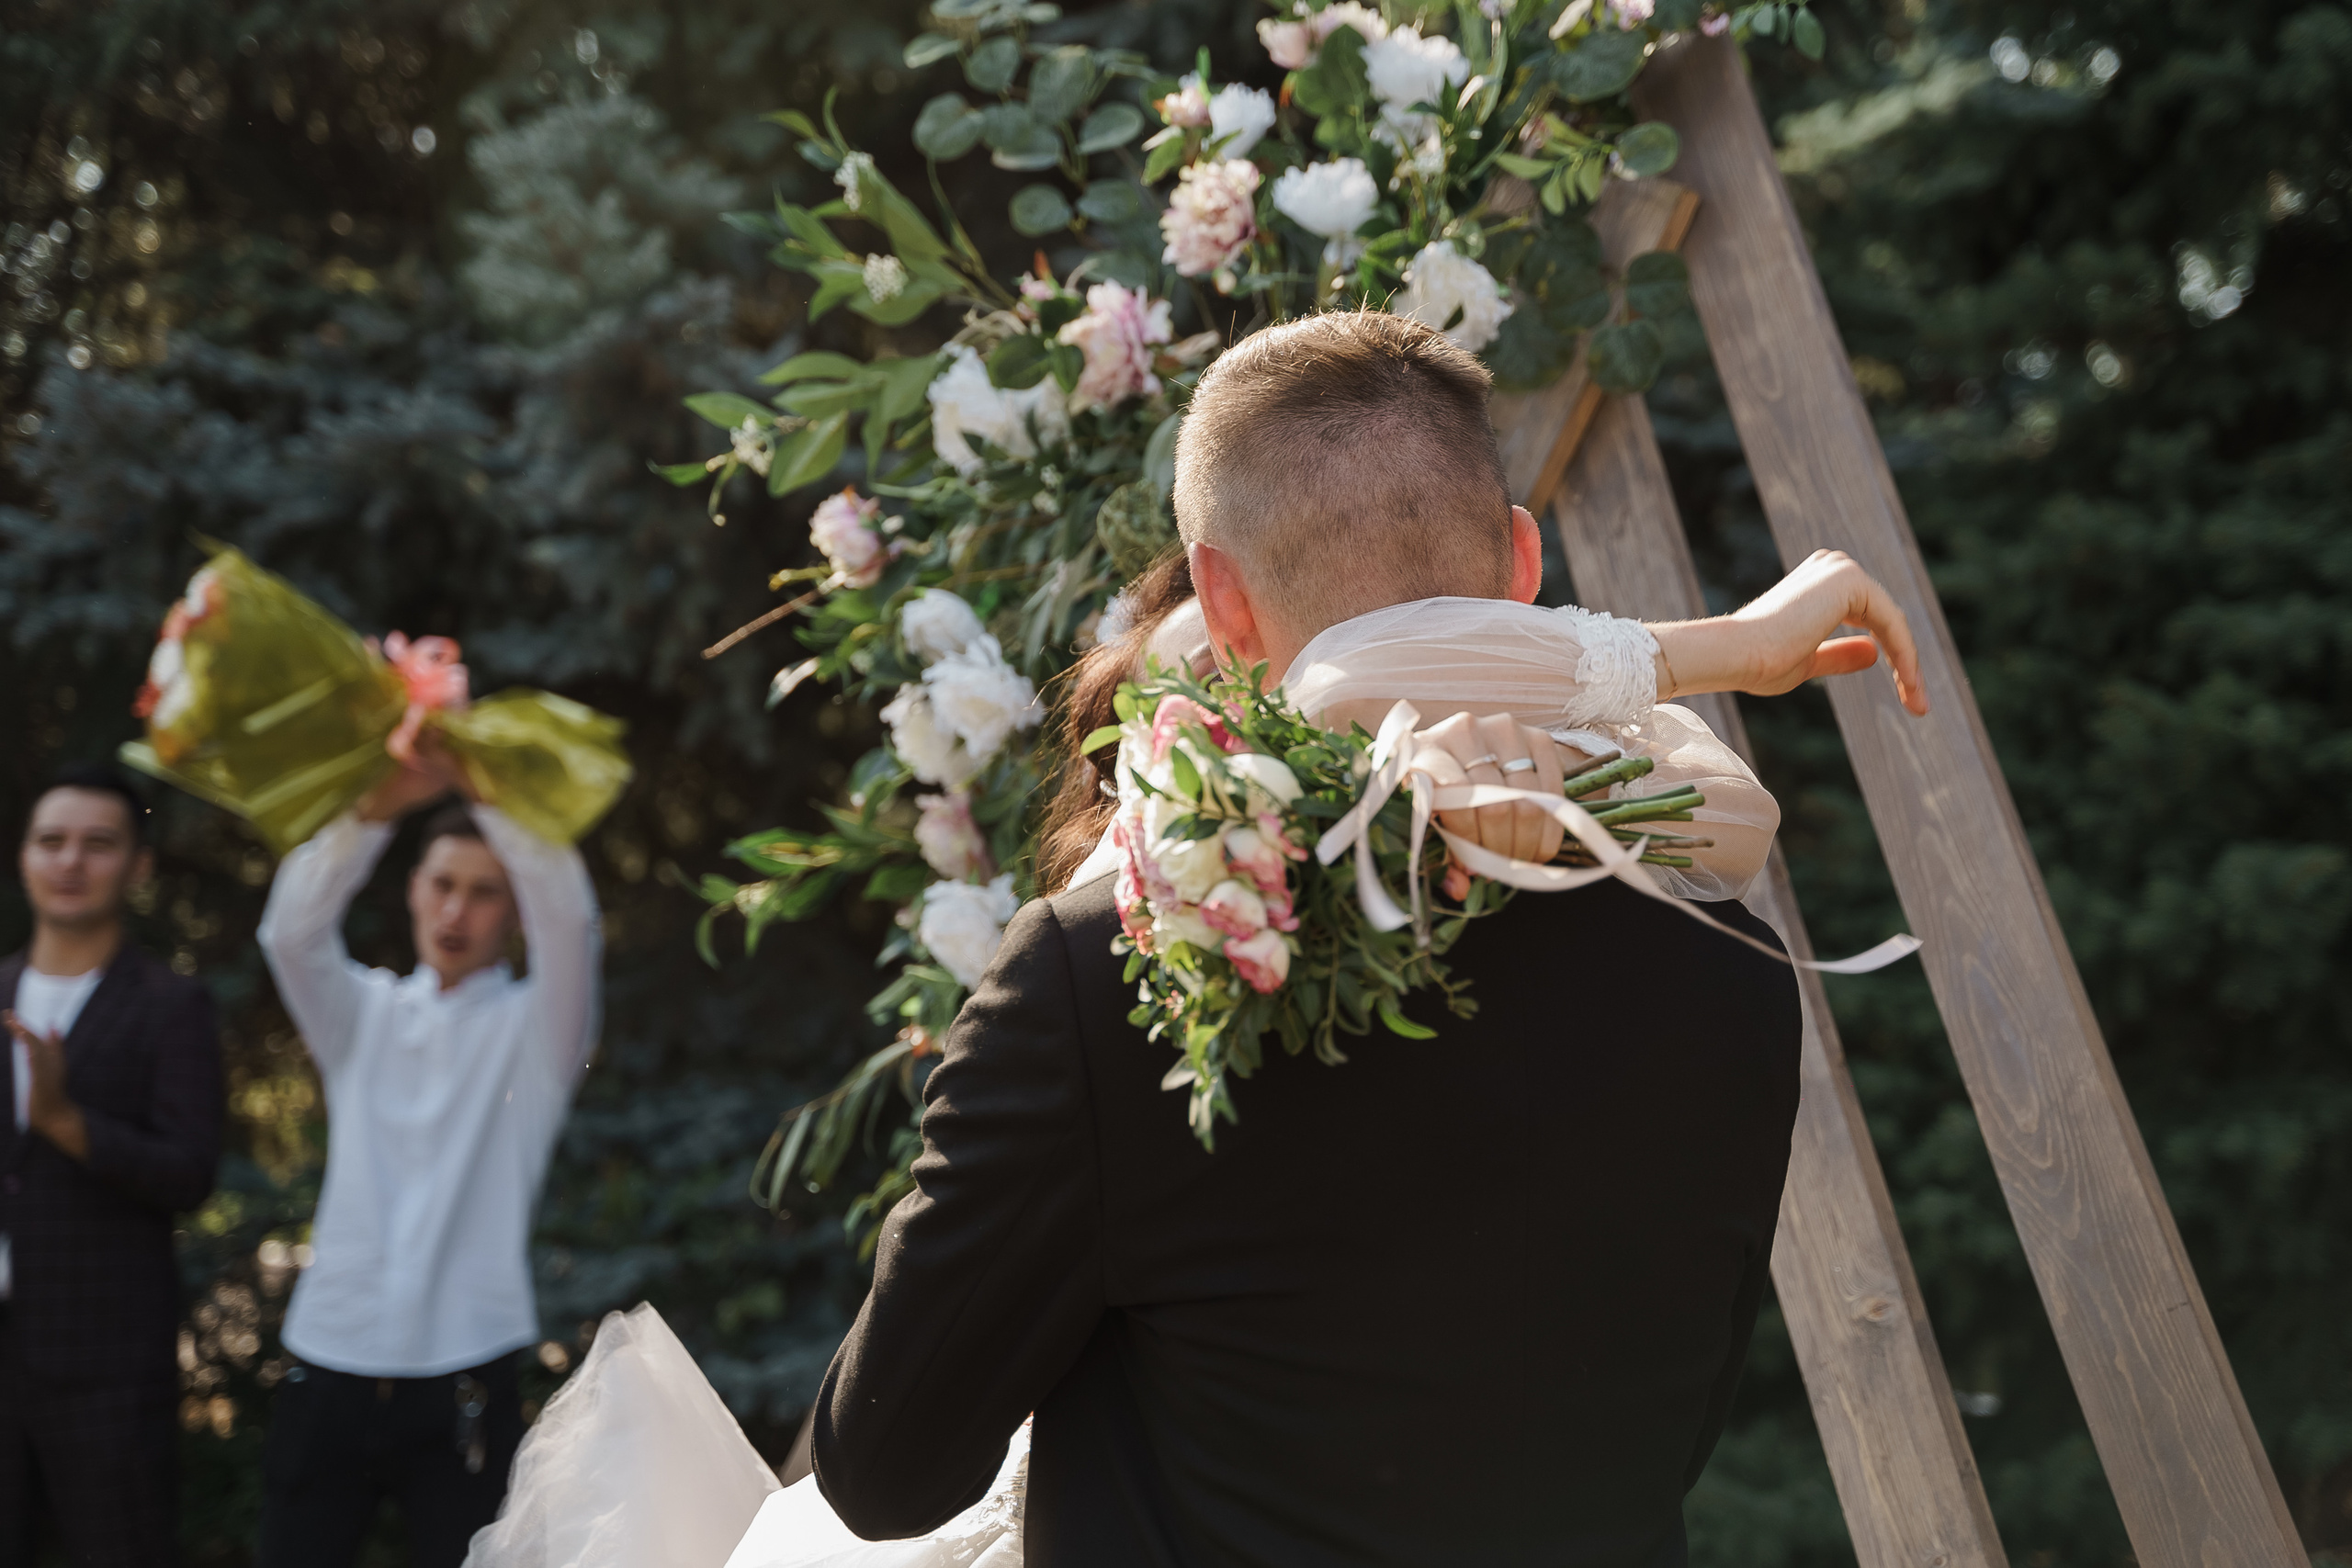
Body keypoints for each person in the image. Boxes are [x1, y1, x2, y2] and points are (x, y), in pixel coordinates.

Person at [807, 310, 1924, 1565]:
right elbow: (1674, 1417)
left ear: (1216, 597)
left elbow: (884, 1469)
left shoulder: (1100, 971)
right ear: (1521, 562)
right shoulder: (1733, 965)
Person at [254, 734, 600, 1568]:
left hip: (468, 1371)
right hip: (327, 1358)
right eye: (442, 884)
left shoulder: (537, 1034)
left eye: (484, 893)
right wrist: (383, 804)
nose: (456, 911)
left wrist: (479, 778)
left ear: (511, 911)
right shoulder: (360, 1014)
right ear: (410, 889)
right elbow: (289, 930)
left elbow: (573, 919)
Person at [1, 762, 223, 1568]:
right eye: (50, 840)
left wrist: (66, 1123)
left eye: (98, 844)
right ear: (24, 855)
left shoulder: (170, 1004)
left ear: (139, 866)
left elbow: (189, 1172)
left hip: (107, 1370)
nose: (70, 861)